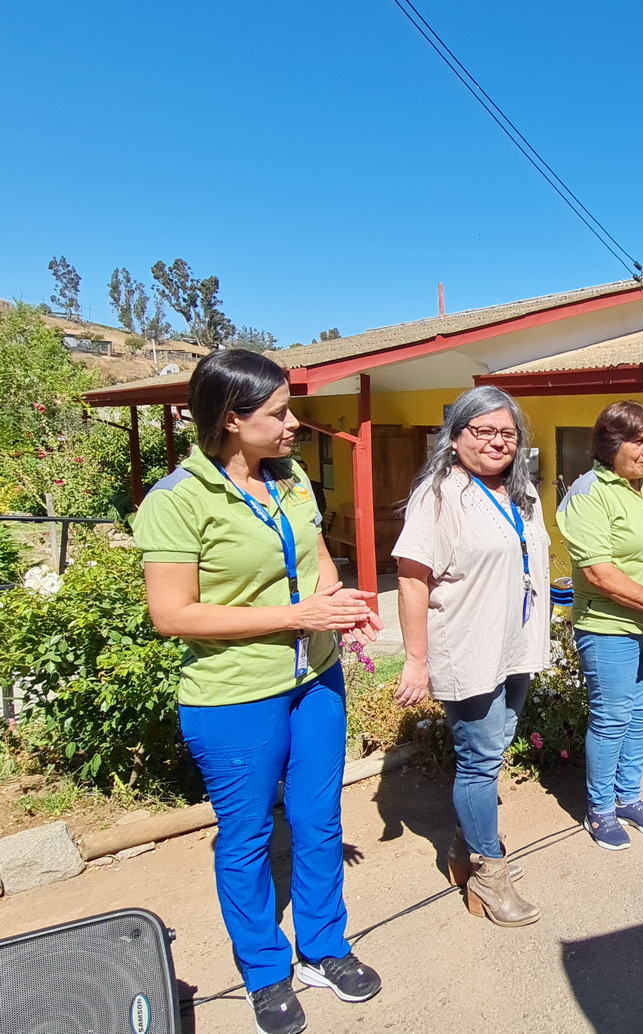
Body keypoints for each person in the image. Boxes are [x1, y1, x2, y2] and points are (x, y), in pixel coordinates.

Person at [134, 350, 383, 1034]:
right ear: (231, 420)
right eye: (277, 414)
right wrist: (294, 616)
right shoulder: (177, 500)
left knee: (319, 820)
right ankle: (265, 972)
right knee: (245, 839)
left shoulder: (292, 477)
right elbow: (173, 615)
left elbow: (316, 555)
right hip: (234, 696)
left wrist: (337, 597)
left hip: (316, 680)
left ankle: (324, 949)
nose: (293, 424)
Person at [392, 386, 549, 927]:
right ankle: (488, 871)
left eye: (507, 433)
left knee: (495, 749)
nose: (496, 442)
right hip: (469, 646)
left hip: (515, 645)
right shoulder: (439, 495)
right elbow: (412, 579)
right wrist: (416, 658)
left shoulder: (520, 493)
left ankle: (466, 850)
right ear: (455, 437)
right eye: (482, 431)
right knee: (479, 759)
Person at [557, 401, 643, 850]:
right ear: (611, 444)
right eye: (638, 441)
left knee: (640, 715)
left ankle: (629, 797)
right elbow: (598, 571)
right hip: (609, 626)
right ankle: (599, 810)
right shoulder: (587, 493)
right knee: (612, 718)